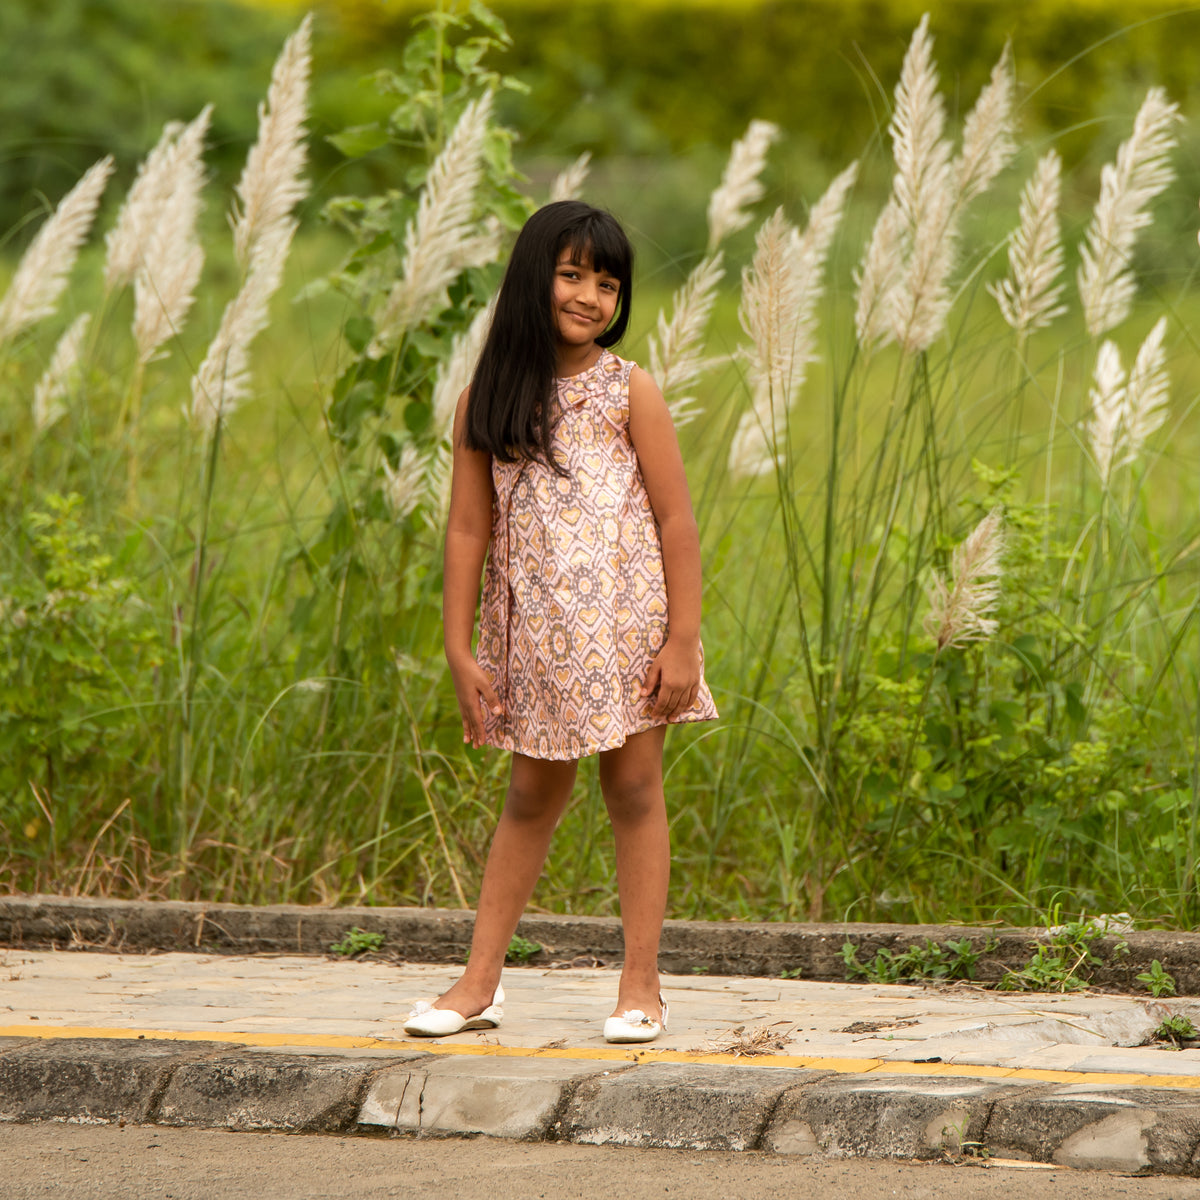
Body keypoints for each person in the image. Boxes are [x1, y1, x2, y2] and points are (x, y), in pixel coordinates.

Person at [404, 201, 718, 1045]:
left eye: (608, 283)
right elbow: (469, 528)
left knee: (635, 789)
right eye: (572, 273)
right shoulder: (487, 398)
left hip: (627, 631)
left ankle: (642, 985)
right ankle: (479, 983)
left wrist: (681, 640)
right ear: (532, 275)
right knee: (530, 796)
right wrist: (458, 648)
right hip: (533, 636)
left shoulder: (629, 389)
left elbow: (676, 522)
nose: (590, 296)